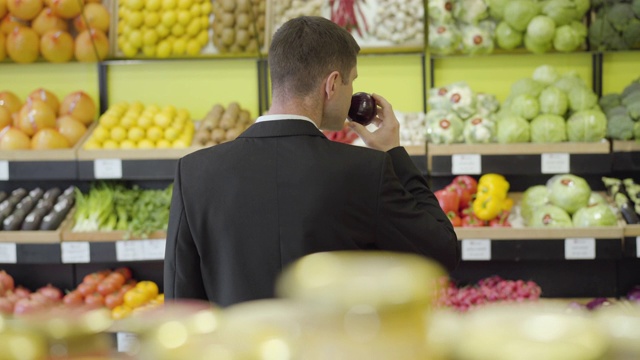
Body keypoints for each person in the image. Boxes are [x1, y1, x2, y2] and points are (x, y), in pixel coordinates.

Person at [164, 16, 459, 307]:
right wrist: (395, 153)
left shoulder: (194, 171)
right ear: (332, 84)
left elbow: (180, 303)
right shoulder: (366, 170)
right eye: (351, 81)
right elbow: (442, 251)